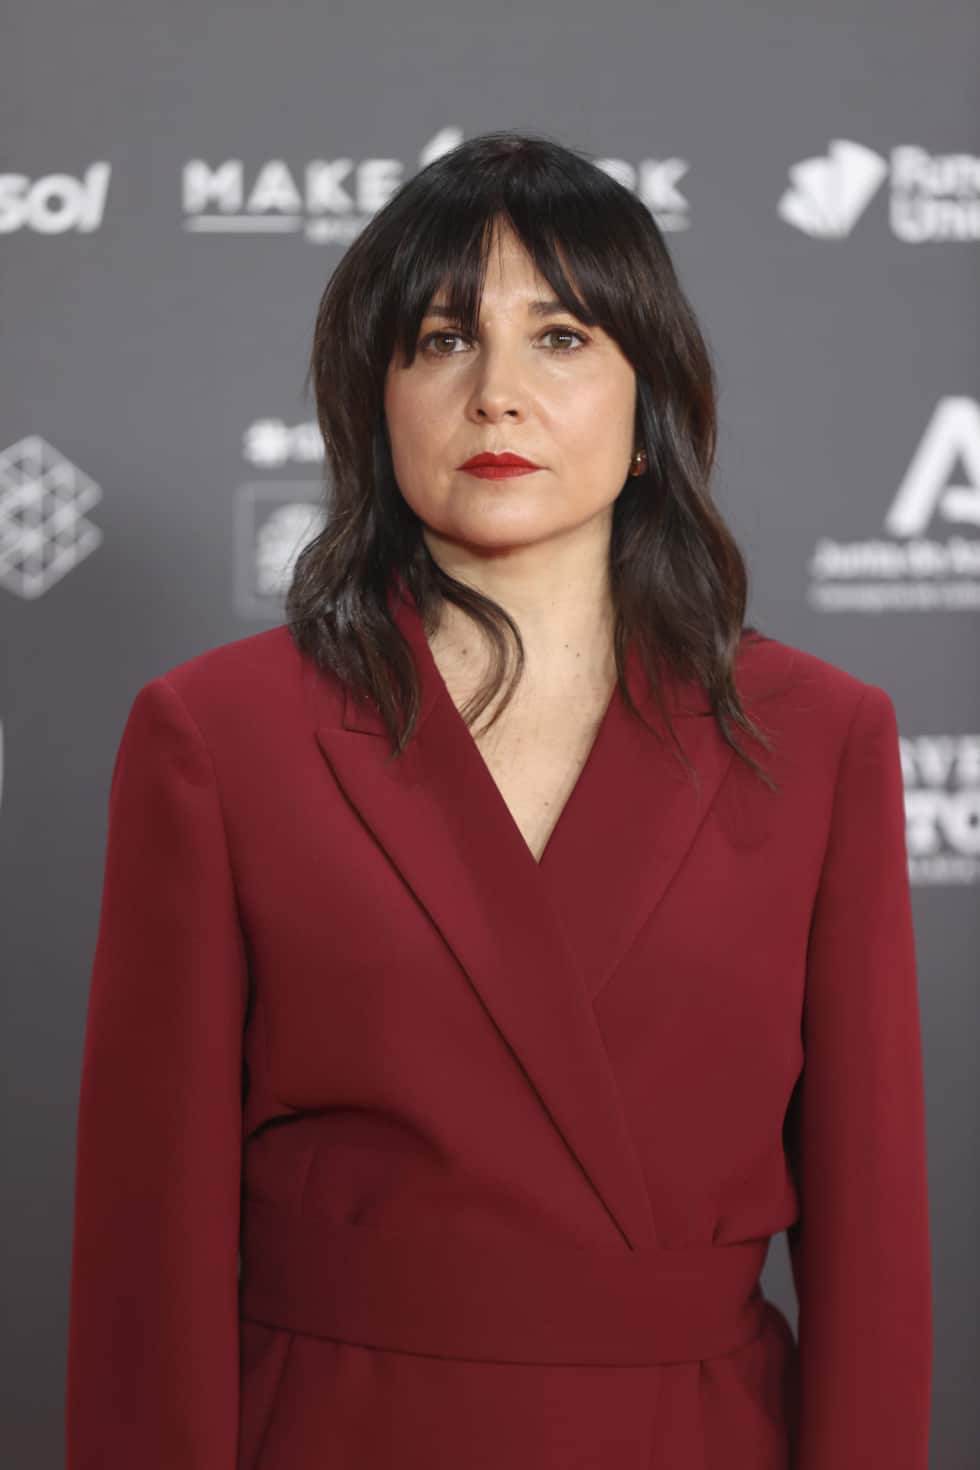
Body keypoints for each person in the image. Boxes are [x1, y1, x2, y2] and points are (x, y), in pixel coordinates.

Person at [64, 130, 932, 1469]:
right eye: (443, 339)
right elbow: (147, 1253)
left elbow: (873, 1247)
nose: (498, 396)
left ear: (650, 407)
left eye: (563, 337)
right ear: (378, 401)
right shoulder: (216, 735)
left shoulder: (819, 735)